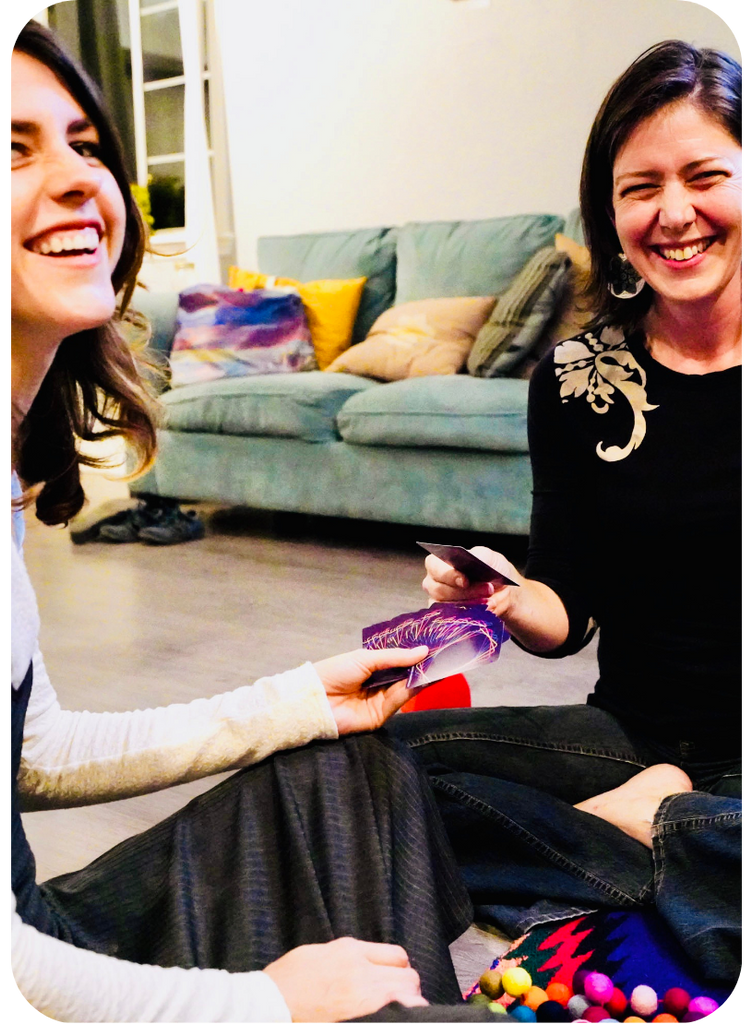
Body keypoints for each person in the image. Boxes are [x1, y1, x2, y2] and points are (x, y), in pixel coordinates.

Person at [8, 21, 476, 1024]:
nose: (77, 178)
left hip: (39, 937)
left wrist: (298, 695)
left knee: (356, 770)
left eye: (86, 145)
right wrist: (264, 1001)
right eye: (13, 150)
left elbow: (33, 756)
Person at [390, 39, 743, 986]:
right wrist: (505, 599)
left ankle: (651, 840)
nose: (674, 213)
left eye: (705, 176)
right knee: (362, 766)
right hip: (627, 739)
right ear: (609, 208)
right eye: (640, 187)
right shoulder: (578, 376)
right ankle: (664, 851)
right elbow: (568, 610)